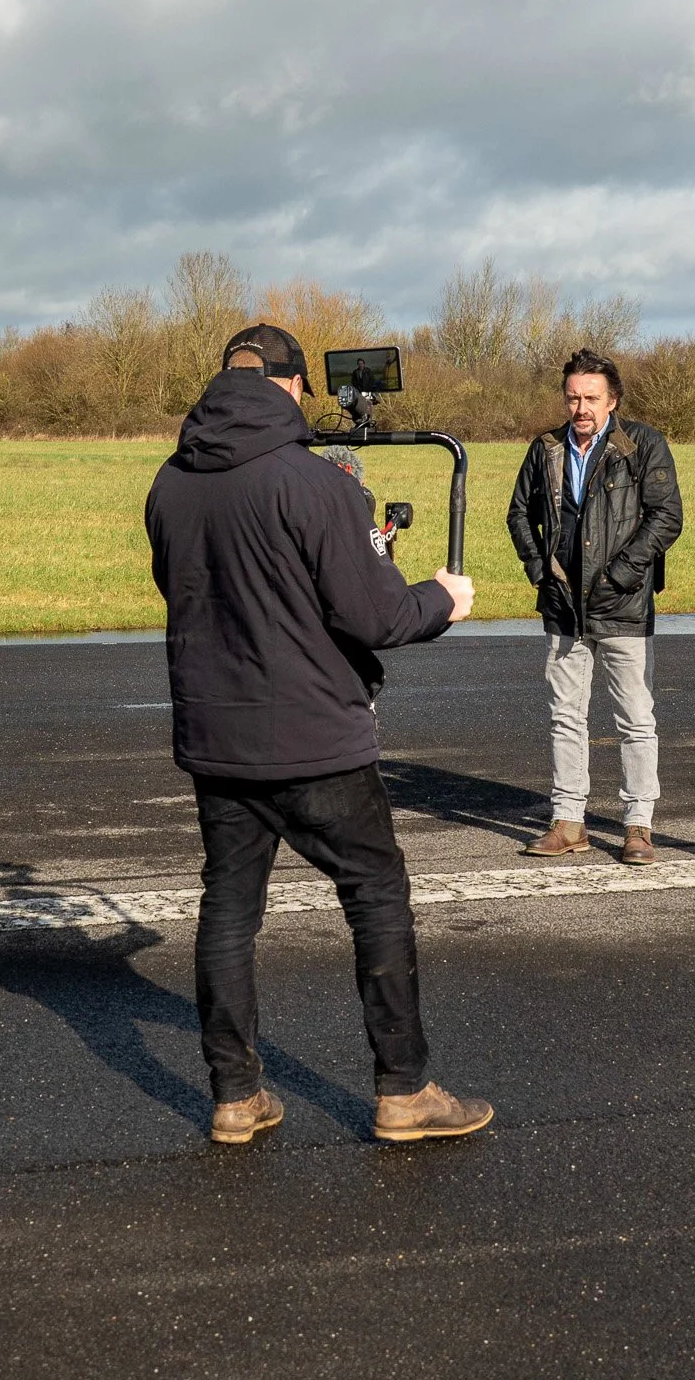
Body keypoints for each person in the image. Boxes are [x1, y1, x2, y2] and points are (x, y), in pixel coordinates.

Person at [145, 323, 493, 1146]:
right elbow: (373, 616)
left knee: (228, 909)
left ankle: (235, 1095)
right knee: (375, 894)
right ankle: (404, 1090)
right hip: (312, 736)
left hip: (216, 733)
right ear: (296, 387)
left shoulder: (170, 482)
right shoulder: (314, 484)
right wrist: (443, 599)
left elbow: (188, 588)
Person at [506, 349, 684, 865]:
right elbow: (519, 514)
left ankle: (638, 827)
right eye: (573, 397)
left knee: (634, 719)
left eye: (591, 397)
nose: (580, 407)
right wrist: (541, 571)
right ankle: (568, 823)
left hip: (624, 606)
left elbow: (666, 518)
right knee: (566, 717)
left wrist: (622, 575)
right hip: (563, 606)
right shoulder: (545, 447)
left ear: (613, 400)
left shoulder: (644, 445)